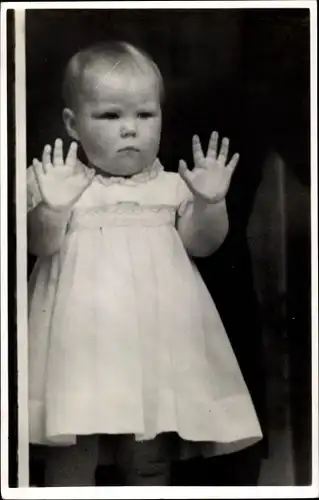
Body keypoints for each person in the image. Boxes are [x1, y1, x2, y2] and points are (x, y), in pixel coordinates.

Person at [27, 40, 262, 486]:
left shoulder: (173, 185)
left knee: (149, 454)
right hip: (77, 348)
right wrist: (51, 209)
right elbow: (40, 244)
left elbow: (202, 245)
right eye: (111, 116)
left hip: (154, 346)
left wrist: (209, 202)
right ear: (72, 124)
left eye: (144, 114)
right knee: (73, 451)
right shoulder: (58, 180)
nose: (130, 129)